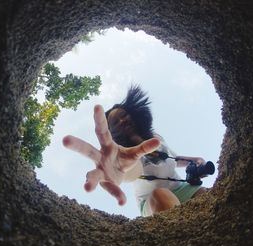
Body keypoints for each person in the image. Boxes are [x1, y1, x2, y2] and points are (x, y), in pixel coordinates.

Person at [63, 85, 207, 217]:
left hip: (182, 187)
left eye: (124, 115)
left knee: (208, 198)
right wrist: (117, 169)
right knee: (160, 195)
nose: (122, 121)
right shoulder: (122, 154)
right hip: (152, 200)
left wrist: (197, 162)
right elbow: (132, 171)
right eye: (115, 122)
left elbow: (174, 159)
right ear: (111, 132)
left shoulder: (157, 138)